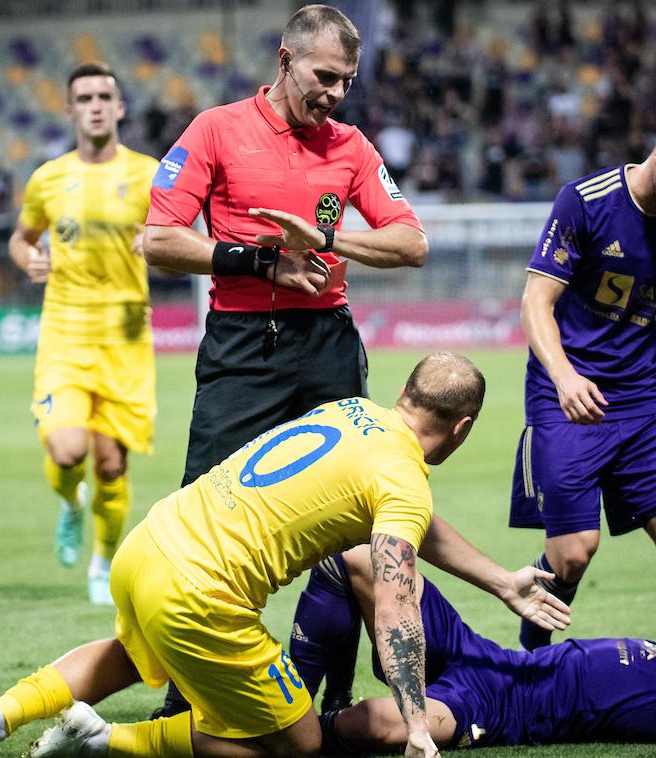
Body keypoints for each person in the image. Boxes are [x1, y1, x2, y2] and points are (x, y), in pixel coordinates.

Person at [0, 354, 570, 758]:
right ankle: (105, 741)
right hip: (201, 595)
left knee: (130, 653)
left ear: (407, 395)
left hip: (150, 544)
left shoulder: (351, 411)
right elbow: (397, 598)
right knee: (301, 742)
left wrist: (498, 582)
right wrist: (418, 723)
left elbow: (406, 523)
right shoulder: (403, 480)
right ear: (462, 428)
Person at [142, 2, 428, 716]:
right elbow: (159, 239)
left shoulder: (351, 146)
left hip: (329, 343)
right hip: (244, 343)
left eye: (346, 81)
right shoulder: (216, 130)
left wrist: (331, 244)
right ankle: (186, 701)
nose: (334, 93)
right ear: (285, 60)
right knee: (200, 523)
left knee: (351, 526)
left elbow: (411, 242)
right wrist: (263, 260)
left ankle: (337, 693)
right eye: (324, 76)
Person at [509, 102, 656, 651]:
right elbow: (535, 303)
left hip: (641, 400)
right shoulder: (585, 202)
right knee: (572, 551)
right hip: (566, 394)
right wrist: (566, 378)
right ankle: (529, 668)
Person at [293, 545, 656, 752]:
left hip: (497, 711)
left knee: (377, 727)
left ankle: (296, 731)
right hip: (492, 661)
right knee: (361, 557)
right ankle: (317, 691)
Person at [8, 63, 159, 604]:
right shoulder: (49, 178)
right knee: (68, 451)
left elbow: (182, 234)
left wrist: (157, 244)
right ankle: (71, 504)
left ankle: (102, 563)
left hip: (124, 334)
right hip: (66, 332)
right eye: (84, 97)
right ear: (70, 109)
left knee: (111, 463)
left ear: (119, 108)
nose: (95, 105)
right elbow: (21, 238)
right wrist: (29, 258)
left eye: (104, 96)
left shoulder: (149, 173)